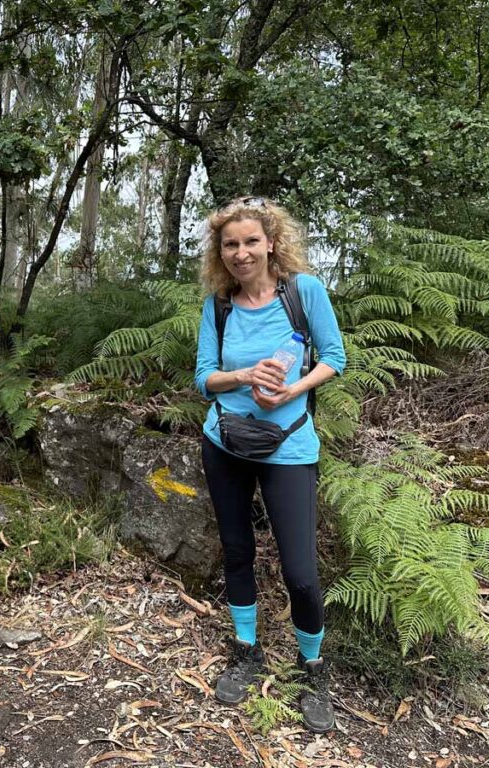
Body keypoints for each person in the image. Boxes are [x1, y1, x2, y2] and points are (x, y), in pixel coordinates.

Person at [193, 196, 346, 733]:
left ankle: (312, 667)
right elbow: (203, 376)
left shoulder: (304, 293)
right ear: (221, 251)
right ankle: (246, 649)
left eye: (250, 241)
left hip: (289, 446)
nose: (240, 253)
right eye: (230, 244)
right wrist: (242, 377)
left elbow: (335, 357)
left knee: (301, 572)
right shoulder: (218, 305)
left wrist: (291, 391)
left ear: (272, 243)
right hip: (226, 443)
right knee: (237, 552)